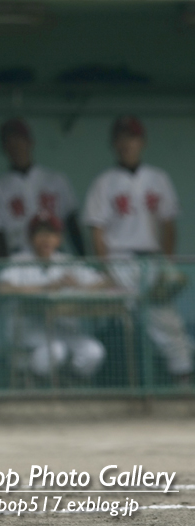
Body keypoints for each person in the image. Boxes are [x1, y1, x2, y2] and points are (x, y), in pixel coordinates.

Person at [83, 116, 193, 382]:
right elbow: (97, 231)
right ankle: (171, 376)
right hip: (121, 260)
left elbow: (169, 226)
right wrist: (106, 268)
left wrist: (166, 262)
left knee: (166, 320)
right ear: (113, 143)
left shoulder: (158, 178)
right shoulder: (104, 182)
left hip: (152, 260)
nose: (126, 143)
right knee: (143, 323)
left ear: (142, 142)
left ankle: (181, 378)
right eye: (121, 137)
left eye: (131, 137)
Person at [0, 212, 108, 378]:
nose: (46, 238)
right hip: (29, 331)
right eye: (40, 233)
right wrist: (46, 287)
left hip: (64, 328)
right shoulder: (19, 261)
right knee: (56, 351)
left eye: (51, 233)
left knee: (94, 351)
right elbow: (4, 288)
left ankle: (70, 381)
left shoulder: (67, 261)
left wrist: (80, 286)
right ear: (30, 238)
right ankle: (32, 375)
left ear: (59, 238)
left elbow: (106, 281)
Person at [0, 118, 85, 257]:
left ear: (30, 142)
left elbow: (72, 226)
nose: (16, 145)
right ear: (4, 148)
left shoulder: (56, 180)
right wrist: (2, 269)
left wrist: (83, 259)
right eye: (10, 142)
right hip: (18, 257)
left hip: (54, 255)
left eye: (19, 140)